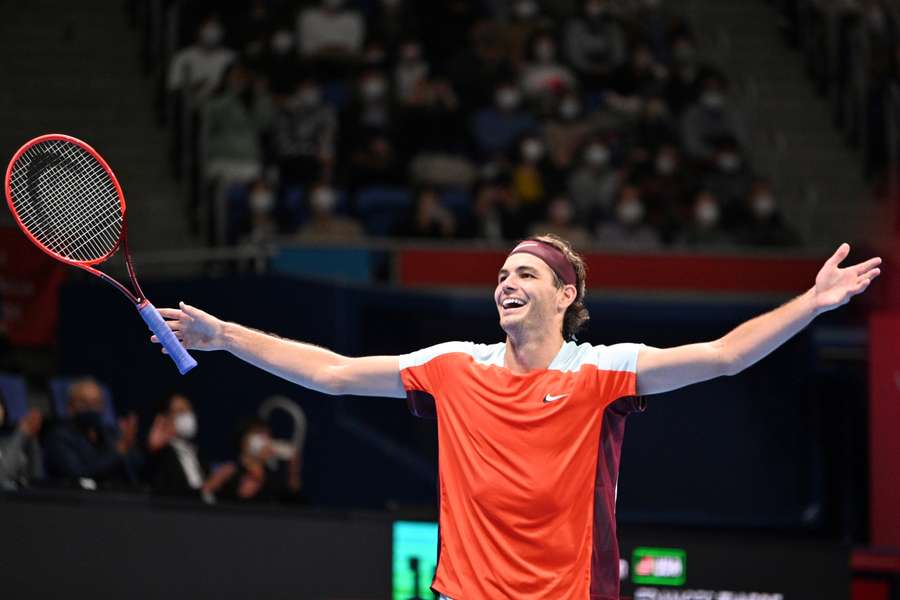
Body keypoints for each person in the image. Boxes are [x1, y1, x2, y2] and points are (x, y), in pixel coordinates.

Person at [153, 236, 880, 598]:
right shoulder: (453, 366)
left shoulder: (603, 371)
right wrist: (226, 338)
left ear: (567, 296)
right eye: (501, 275)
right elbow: (334, 374)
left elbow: (722, 355)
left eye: (525, 273)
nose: (506, 282)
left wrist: (812, 305)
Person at [43, 378, 141, 486]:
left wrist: (150, 449)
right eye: (84, 403)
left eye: (96, 403)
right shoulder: (58, 437)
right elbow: (78, 475)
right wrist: (117, 453)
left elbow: (136, 472)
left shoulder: (111, 434)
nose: (91, 408)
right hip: (75, 499)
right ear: (70, 407)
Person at [145, 393, 208, 498]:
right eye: (181, 411)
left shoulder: (198, 452)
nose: (188, 416)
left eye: (189, 410)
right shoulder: (161, 452)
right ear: (166, 417)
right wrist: (153, 449)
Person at [0, 393, 44, 490]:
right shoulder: (17, 439)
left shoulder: (7, 442)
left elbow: (37, 478)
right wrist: (23, 432)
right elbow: (2, 478)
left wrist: (32, 437)